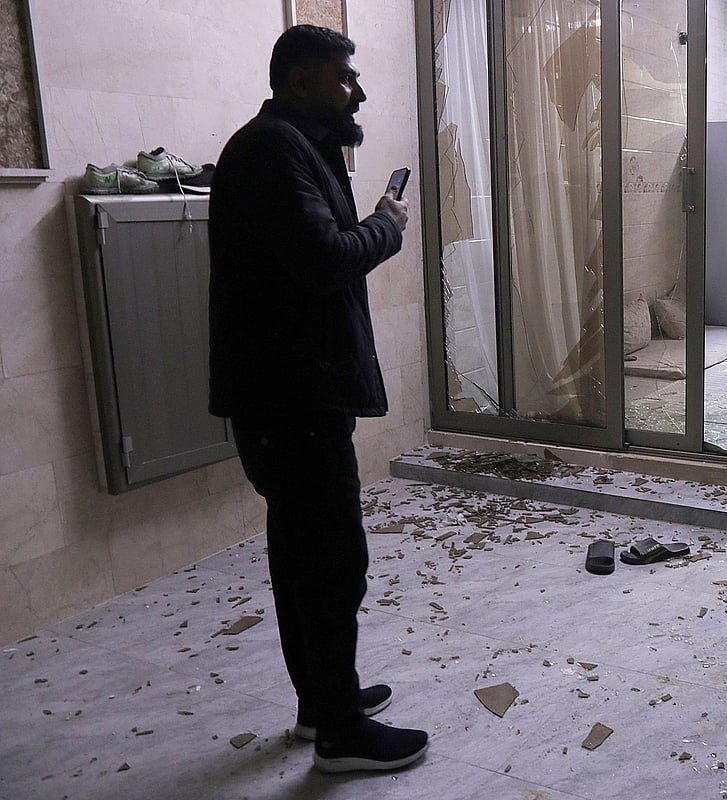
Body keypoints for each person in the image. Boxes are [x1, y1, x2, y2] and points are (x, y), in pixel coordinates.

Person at [207, 24, 428, 773]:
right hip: (290, 397)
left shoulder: (296, 145)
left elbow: (312, 254)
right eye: (344, 77)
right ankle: (340, 735)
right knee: (332, 561)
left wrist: (367, 223)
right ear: (300, 81)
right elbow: (324, 259)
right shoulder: (272, 149)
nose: (357, 91)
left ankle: (321, 703)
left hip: (290, 393)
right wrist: (386, 226)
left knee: (304, 555)